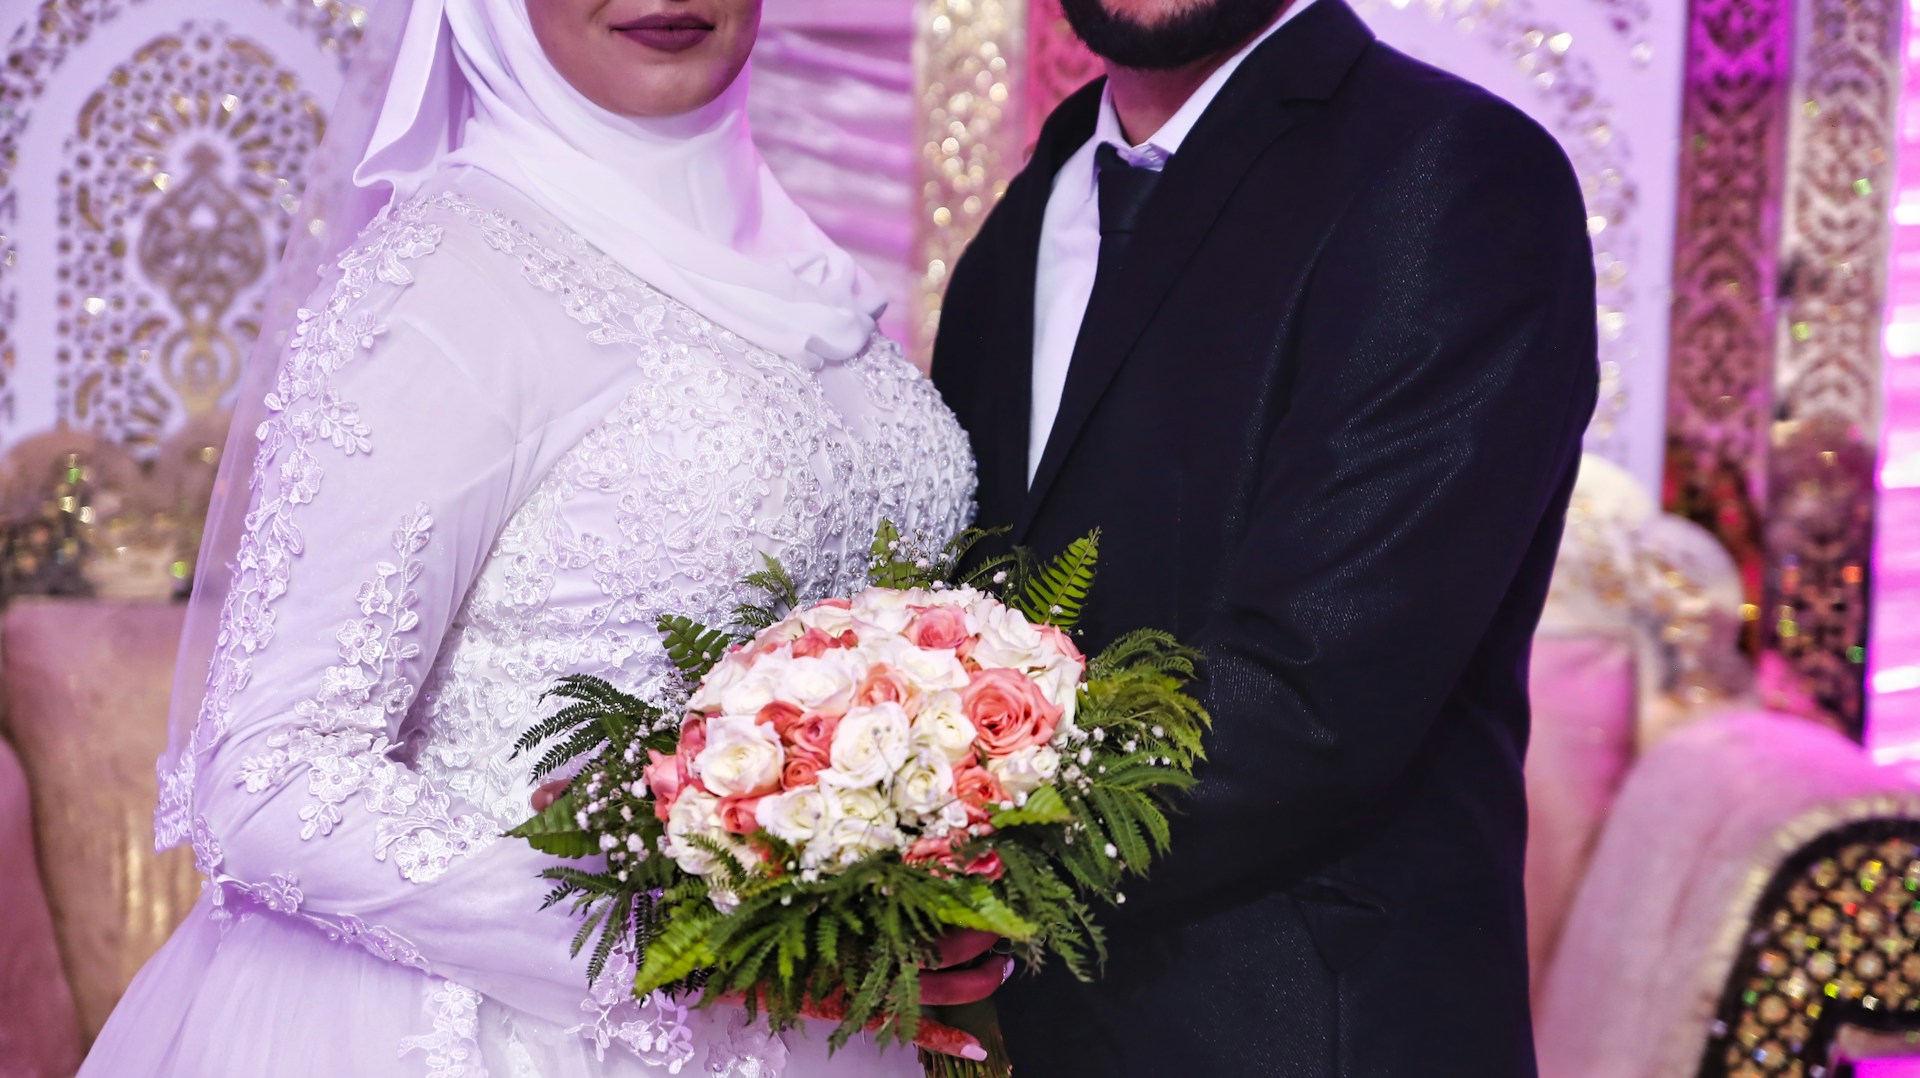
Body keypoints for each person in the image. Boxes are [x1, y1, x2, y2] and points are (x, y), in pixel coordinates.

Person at [82, 0, 991, 1073]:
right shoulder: (450, 279)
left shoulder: (810, 279)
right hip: (508, 1027)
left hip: (826, 1022)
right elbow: (268, 777)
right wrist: (697, 948)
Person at [931, 0, 1599, 1074]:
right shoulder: (1040, 199)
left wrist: (964, 875)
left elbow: (1323, 682)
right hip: (1015, 1031)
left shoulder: (1452, 169)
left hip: (1300, 1027)